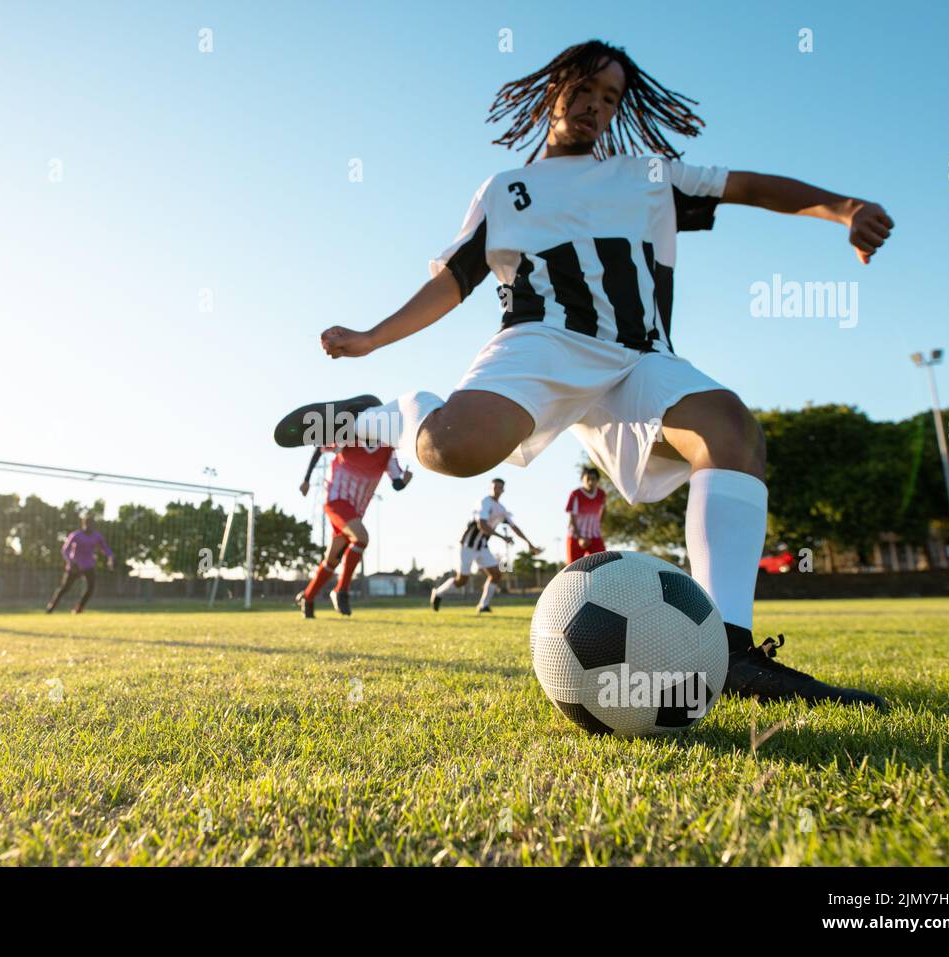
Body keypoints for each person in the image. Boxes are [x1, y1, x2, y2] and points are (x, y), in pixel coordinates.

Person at [274, 40, 889, 707]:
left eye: (611, 98)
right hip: (541, 344)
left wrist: (846, 208)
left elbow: (751, 187)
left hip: (638, 357)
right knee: (455, 449)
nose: (597, 107)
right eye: (585, 91)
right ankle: (388, 410)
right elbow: (455, 281)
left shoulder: (647, 176)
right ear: (553, 90)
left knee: (730, 428)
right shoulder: (506, 189)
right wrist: (370, 337)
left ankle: (729, 652)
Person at [295, 441, 412, 618]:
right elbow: (320, 449)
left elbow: (396, 483)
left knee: (332, 559)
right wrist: (306, 479)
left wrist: (405, 480)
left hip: (356, 510)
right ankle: (341, 590)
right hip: (336, 500)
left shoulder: (388, 450)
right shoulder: (351, 438)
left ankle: (308, 597)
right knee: (362, 538)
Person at [431, 477, 540, 614]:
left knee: (496, 574)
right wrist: (503, 537)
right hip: (467, 545)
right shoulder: (484, 502)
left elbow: (515, 527)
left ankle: (483, 605)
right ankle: (438, 592)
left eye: (499, 487)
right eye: (494, 487)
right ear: (490, 488)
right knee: (462, 581)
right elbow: (481, 525)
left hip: (482, 547)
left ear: (503, 490)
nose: (496, 490)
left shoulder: (501, 510)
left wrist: (529, 544)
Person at [46, 511, 114, 614]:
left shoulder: (97, 536)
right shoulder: (76, 535)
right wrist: (70, 561)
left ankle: (79, 608)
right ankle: (51, 607)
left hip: (88, 565)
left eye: (92, 524)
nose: (89, 526)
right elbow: (65, 550)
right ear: (84, 524)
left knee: (91, 588)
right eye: (87, 524)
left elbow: (105, 548)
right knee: (65, 588)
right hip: (75, 565)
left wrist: (110, 557)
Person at [566, 465, 607, 563]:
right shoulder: (576, 494)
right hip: (576, 536)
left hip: (595, 536)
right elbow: (572, 517)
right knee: (573, 568)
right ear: (583, 479)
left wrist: (598, 526)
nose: (591, 482)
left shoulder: (601, 494)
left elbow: (604, 510)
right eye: (588, 479)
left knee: (602, 564)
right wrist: (580, 538)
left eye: (594, 479)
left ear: (597, 480)